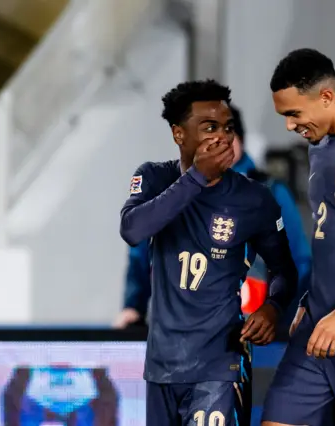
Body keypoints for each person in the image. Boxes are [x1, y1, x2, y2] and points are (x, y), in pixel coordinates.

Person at [119, 80, 298, 426]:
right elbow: (132, 230)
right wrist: (197, 178)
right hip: (161, 367)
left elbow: (285, 271)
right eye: (209, 127)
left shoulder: (255, 199)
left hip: (220, 365)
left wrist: (273, 308)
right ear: (178, 134)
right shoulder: (154, 178)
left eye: (228, 127)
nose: (223, 136)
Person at [114, 106, 312, 330]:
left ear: (240, 140)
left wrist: (282, 317)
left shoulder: (269, 192)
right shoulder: (173, 189)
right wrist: (133, 306)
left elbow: (297, 261)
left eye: (227, 134)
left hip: (251, 331)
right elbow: (141, 252)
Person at [261, 48, 335, 426]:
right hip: (317, 327)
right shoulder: (319, 148)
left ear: (327, 97)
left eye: (293, 114)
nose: (289, 126)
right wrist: (310, 294)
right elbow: (334, 234)